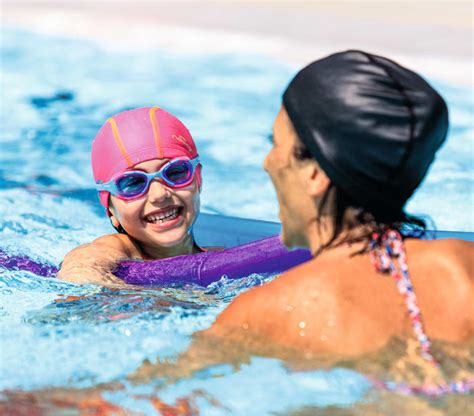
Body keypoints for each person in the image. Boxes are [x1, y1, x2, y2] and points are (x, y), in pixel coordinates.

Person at [197, 50, 473, 394]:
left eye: (275, 144)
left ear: (314, 172)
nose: (267, 163)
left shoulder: (264, 312)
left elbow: (159, 400)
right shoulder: (463, 267)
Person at [57, 106, 204, 285]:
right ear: (110, 209)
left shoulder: (222, 258)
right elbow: (81, 269)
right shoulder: (120, 249)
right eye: (133, 183)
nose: (159, 195)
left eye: (175, 172)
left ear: (198, 179)